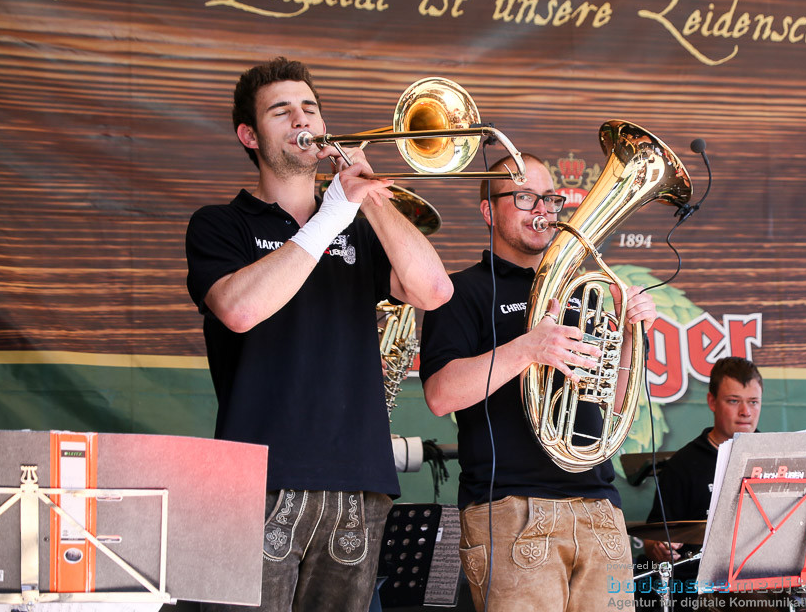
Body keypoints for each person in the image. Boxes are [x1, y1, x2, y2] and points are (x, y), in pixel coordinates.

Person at [185, 57, 452, 612]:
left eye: (309, 108)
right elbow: (239, 310)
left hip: (359, 475)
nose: (301, 119)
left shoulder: (356, 221)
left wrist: (370, 196)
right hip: (258, 476)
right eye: (281, 111)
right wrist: (330, 216)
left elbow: (432, 291)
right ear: (249, 135)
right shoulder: (220, 223)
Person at [418, 152, 659, 612]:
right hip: (512, 509)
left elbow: (608, 406)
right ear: (489, 211)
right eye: (525, 197)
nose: (544, 210)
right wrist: (528, 348)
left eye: (550, 199)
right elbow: (440, 394)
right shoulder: (459, 291)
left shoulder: (579, 292)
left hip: (600, 509)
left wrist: (631, 334)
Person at [636, 356, 763, 608]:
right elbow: (653, 539)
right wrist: (660, 548)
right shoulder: (683, 464)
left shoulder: (775, 455)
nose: (745, 412)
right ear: (712, 402)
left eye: (753, 402)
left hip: (764, 579)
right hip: (701, 587)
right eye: (734, 401)